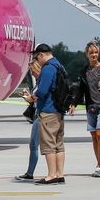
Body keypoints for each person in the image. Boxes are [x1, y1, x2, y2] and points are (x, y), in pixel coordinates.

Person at [68, 41, 100, 177]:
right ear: (87, 54)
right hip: (91, 107)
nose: (94, 55)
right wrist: (73, 104)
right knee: (94, 136)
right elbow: (81, 90)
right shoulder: (84, 71)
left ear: (98, 53)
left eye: (96, 52)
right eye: (91, 53)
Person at [22, 43, 66, 184]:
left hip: (48, 111)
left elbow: (42, 91)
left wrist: (31, 98)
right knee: (59, 145)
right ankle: (59, 174)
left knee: (48, 145)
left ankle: (51, 175)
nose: (37, 60)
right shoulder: (59, 65)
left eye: (37, 57)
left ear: (41, 54)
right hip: (59, 111)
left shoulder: (48, 69)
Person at [15, 59, 43, 181]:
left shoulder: (41, 82)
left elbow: (33, 99)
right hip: (38, 114)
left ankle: (30, 173)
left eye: (32, 70)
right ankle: (30, 172)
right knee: (35, 145)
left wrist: (28, 97)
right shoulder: (38, 82)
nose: (31, 73)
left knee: (33, 145)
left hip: (40, 116)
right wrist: (28, 94)